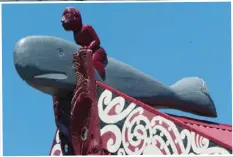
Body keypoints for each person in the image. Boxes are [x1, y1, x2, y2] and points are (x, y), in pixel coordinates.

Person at [61, 7, 108, 79]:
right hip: (87, 53)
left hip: (97, 50)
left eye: (67, 16)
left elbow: (97, 41)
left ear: (76, 16)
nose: (63, 20)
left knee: (94, 61)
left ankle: (102, 78)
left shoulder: (86, 28)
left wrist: (89, 48)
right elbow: (81, 45)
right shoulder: (75, 35)